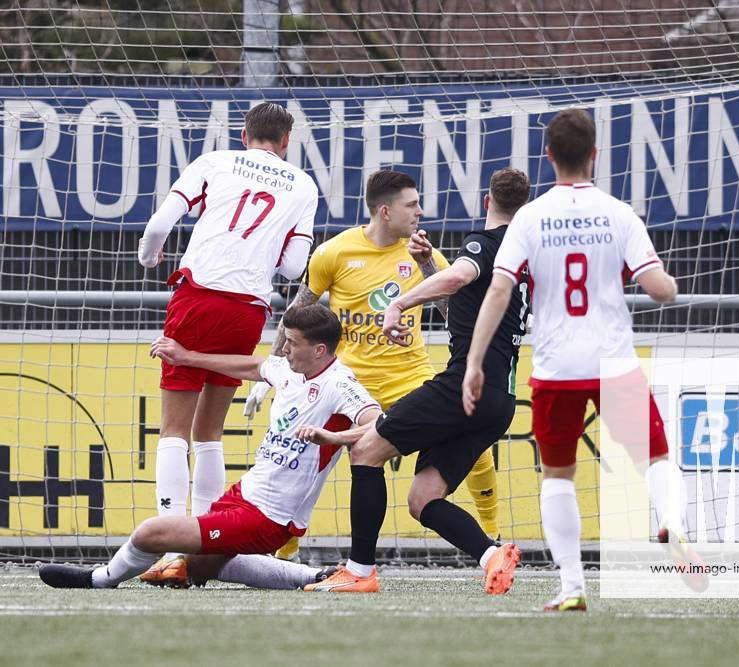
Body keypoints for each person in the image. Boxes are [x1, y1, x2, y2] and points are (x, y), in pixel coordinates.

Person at [462, 109, 689, 612]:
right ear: (594, 154)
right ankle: (671, 518)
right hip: (613, 361)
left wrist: (475, 362)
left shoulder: (529, 216)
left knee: (558, 476)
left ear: (549, 157)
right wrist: (669, 285)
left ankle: (572, 586)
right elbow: (658, 288)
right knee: (655, 456)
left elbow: (499, 290)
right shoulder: (618, 212)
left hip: (556, 367)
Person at [244, 169, 500, 562]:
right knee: (302, 456)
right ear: (385, 211)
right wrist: (275, 370)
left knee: (475, 448)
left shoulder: (424, 254)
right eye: (411, 205)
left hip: (410, 379)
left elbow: (455, 314)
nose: (420, 212)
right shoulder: (334, 252)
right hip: (347, 384)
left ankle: (493, 536)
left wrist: (429, 265)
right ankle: (282, 553)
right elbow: (299, 311)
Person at [302, 168, 532, 594]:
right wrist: (427, 263)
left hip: (462, 385)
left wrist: (400, 302)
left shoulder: (483, 244)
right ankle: (492, 554)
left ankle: (360, 570)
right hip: (500, 400)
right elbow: (465, 301)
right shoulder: (521, 258)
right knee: (423, 499)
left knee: (366, 451)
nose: (420, 211)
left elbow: (460, 276)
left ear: (487, 202)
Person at [38, 306, 380, 591]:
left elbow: (378, 421)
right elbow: (251, 365)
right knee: (199, 567)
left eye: (291, 343)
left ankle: (99, 579)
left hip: (270, 517)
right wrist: (186, 357)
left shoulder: (339, 383)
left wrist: (334, 438)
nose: (284, 349)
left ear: (319, 350)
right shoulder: (290, 370)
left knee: (151, 533)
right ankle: (313, 576)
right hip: (243, 494)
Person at [135, 102, 318, 585]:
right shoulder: (302, 184)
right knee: (209, 432)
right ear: (285, 141)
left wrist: (149, 258)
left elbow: (158, 225)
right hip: (247, 308)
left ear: (244, 135)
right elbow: (296, 266)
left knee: (173, 430)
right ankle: (201, 542)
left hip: (197, 296)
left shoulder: (214, 162)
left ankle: (171, 542)